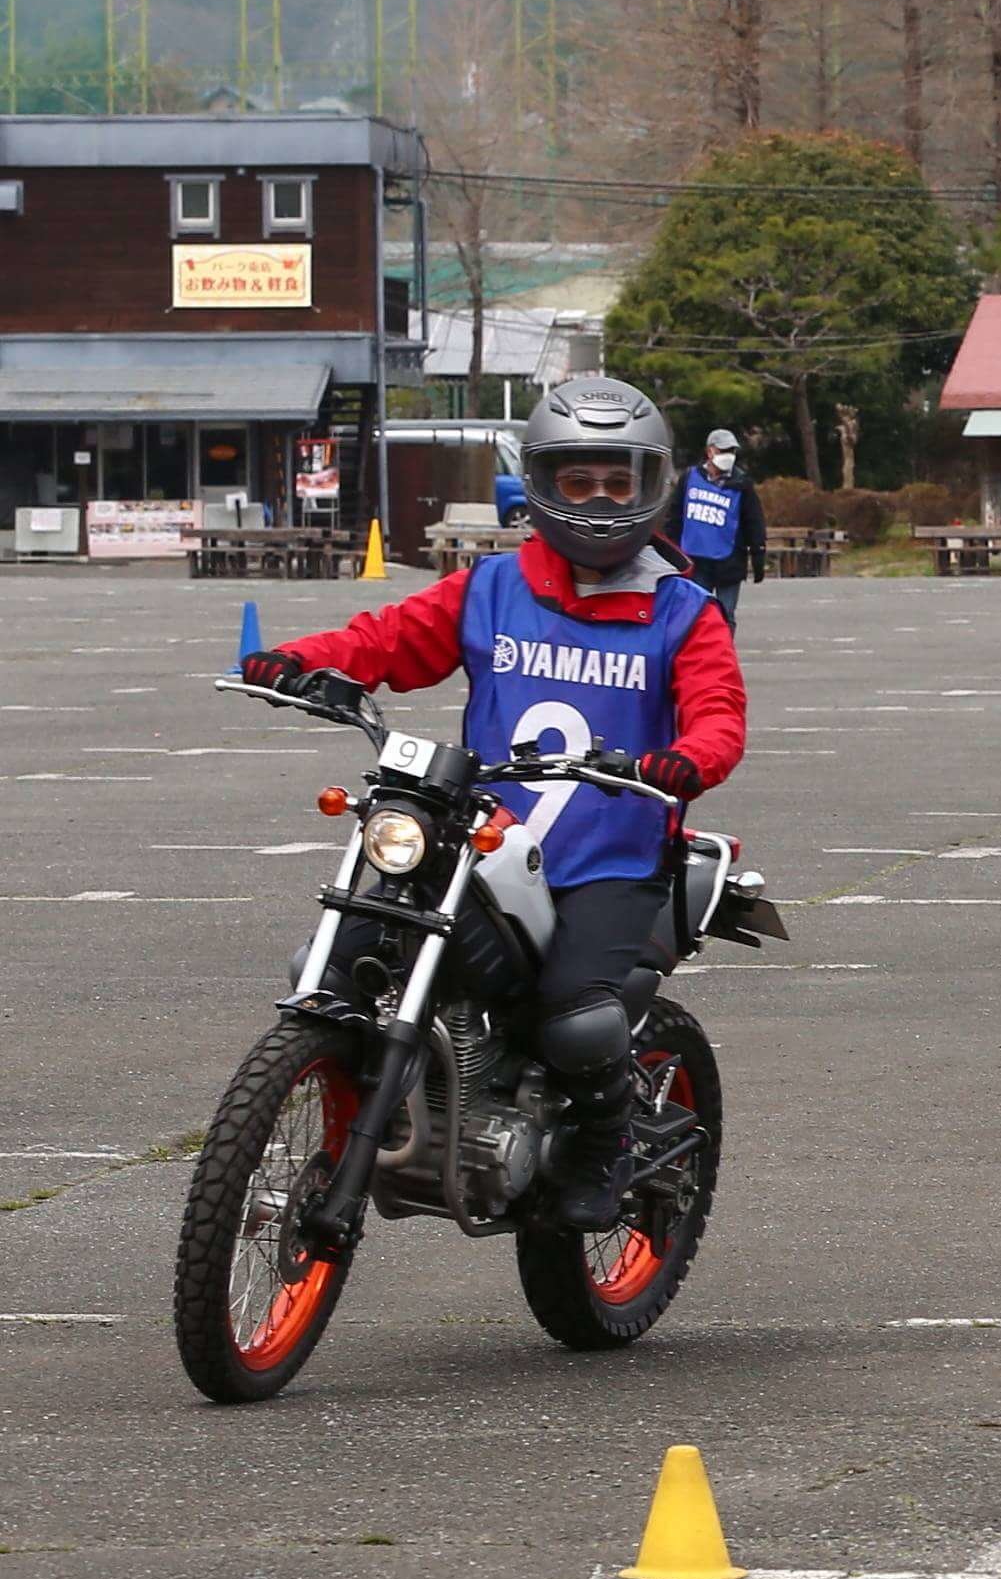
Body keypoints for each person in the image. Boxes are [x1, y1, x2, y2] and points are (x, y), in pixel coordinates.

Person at [238, 375, 746, 1232]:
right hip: (484, 836)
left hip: (611, 854)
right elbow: (386, 639)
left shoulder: (683, 612)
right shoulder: (491, 589)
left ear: (651, 485)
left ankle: (602, 1148)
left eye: (618, 481)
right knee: (332, 961)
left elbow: (719, 717)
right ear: (542, 484)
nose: (597, 499)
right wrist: (301, 660)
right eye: (577, 480)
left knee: (579, 1023)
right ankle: (364, 1107)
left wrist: (684, 761)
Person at [672, 428, 769, 627]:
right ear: (710, 452)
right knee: (695, 615)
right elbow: (674, 516)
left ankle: (722, 656)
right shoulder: (690, 478)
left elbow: (754, 521)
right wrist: (670, 551)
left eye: (731, 451)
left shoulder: (742, 483)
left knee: (726, 615)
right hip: (695, 560)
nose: (728, 456)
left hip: (729, 562)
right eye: (723, 451)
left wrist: (758, 554)